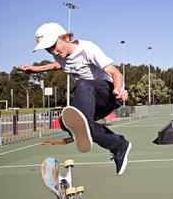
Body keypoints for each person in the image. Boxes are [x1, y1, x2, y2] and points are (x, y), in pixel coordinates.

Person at [20, 22, 131, 175]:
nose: (53, 52)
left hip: (109, 94)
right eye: (48, 49)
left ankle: (89, 124)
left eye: (54, 46)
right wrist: (35, 69)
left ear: (65, 37)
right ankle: (119, 145)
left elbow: (115, 72)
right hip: (90, 99)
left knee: (83, 83)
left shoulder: (87, 49)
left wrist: (118, 89)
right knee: (67, 123)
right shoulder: (60, 56)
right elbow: (56, 66)